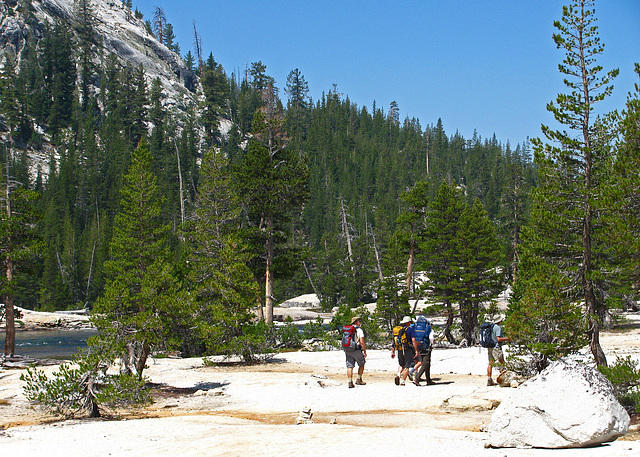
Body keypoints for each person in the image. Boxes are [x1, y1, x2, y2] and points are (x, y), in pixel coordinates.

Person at [391, 316, 420, 386]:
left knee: (401, 365)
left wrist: (393, 352)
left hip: (399, 349)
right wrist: (416, 350)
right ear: (409, 322)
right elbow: (413, 340)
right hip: (407, 349)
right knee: (407, 366)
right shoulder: (410, 330)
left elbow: (393, 342)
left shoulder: (398, 330)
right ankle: (403, 381)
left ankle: (398, 375)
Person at [487, 313, 510, 386]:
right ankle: (503, 380)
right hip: (496, 347)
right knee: (501, 362)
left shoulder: (490, 327)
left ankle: (489, 379)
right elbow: (498, 339)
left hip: (490, 346)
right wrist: (508, 338)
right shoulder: (497, 328)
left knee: (491, 363)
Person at [344, 316, 367, 388]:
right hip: (356, 349)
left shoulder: (348, 330)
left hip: (348, 349)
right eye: (359, 321)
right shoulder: (359, 330)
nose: (360, 323)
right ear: (356, 322)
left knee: (350, 366)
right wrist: (364, 351)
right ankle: (359, 379)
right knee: (361, 363)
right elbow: (362, 342)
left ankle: (350, 381)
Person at [413, 316, 435, 386]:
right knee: (425, 363)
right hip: (426, 347)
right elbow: (431, 338)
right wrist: (432, 343)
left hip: (418, 346)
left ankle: (428, 380)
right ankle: (417, 378)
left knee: (426, 363)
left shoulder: (417, 328)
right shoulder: (429, 330)